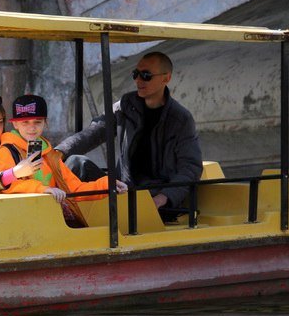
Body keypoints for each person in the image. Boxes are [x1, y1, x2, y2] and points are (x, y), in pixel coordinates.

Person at [57, 51, 202, 219]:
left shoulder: (181, 119)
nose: (138, 80)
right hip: (122, 188)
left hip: (154, 195)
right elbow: (93, 133)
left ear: (166, 78)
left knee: (145, 202)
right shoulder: (125, 106)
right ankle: (63, 217)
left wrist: (163, 198)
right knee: (75, 162)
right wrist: (57, 152)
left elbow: (190, 168)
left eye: (146, 75)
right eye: (135, 74)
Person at [0, 94, 127, 226]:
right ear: (16, 124)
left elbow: (74, 189)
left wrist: (107, 184)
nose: (32, 127)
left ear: (45, 123)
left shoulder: (50, 154)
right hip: (21, 224)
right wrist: (43, 189)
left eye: (37, 122)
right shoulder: (7, 151)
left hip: (51, 222)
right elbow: (7, 186)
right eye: (25, 122)